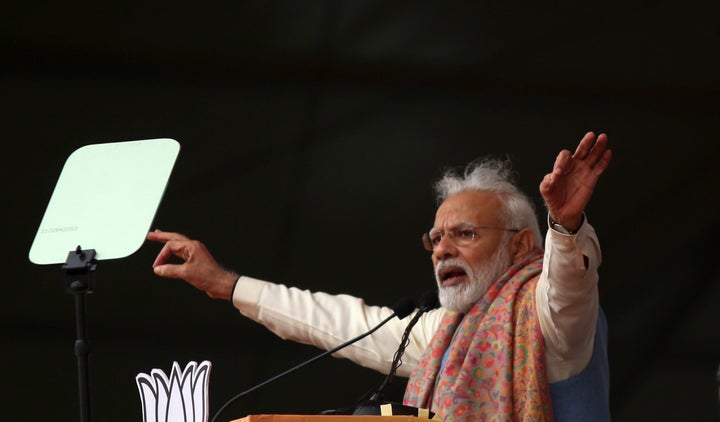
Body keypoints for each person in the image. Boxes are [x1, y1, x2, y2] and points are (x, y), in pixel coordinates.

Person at [147, 131, 612, 421]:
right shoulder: (443, 333)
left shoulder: (549, 318)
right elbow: (337, 322)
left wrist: (565, 227)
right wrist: (226, 285)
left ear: (520, 245)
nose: (443, 249)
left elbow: (569, 284)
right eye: (436, 238)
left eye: (464, 234)